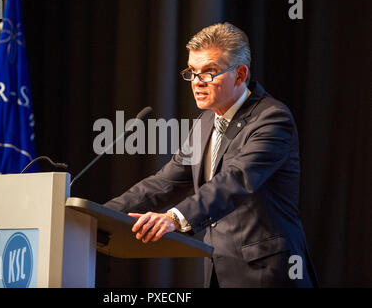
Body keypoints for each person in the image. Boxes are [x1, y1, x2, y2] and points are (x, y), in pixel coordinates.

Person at [104, 22, 318, 288]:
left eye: (209, 72)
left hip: (267, 273)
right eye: (192, 72)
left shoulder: (272, 119)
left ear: (240, 75)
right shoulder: (205, 122)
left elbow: (235, 180)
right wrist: (98, 216)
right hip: (219, 270)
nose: (197, 82)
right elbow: (164, 182)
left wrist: (172, 218)